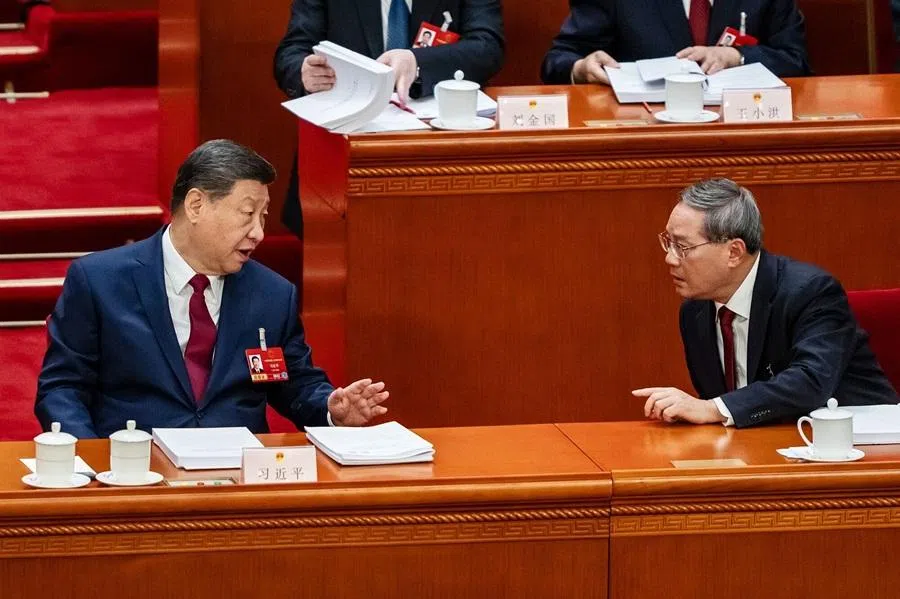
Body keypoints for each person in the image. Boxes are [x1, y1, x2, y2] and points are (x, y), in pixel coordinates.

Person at [35, 140, 389, 439]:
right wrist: (90, 460)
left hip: (239, 481)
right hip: (137, 474)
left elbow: (293, 382)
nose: (258, 233)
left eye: (263, 217)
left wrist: (329, 409)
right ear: (196, 205)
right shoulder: (100, 281)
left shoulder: (272, 294)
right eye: (247, 213)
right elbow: (62, 388)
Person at [633, 178, 897, 428]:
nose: (670, 258)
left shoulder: (810, 292)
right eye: (669, 243)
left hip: (863, 448)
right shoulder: (695, 312)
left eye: (683, 247)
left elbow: (810, 381)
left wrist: (713, 408)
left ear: (734, 252)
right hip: (765, 447)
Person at [273, 0, 505, 238]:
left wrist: (417, 62)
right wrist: (303, 72)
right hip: (342, 163)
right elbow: (291, 52)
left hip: (440, 161)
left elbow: (487, 46)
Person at [541, 0, 810, 86]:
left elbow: (795, 61)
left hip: (743, 134)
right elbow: (558, 61)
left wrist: (737, 57)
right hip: (647, 139)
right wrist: (581, 68)